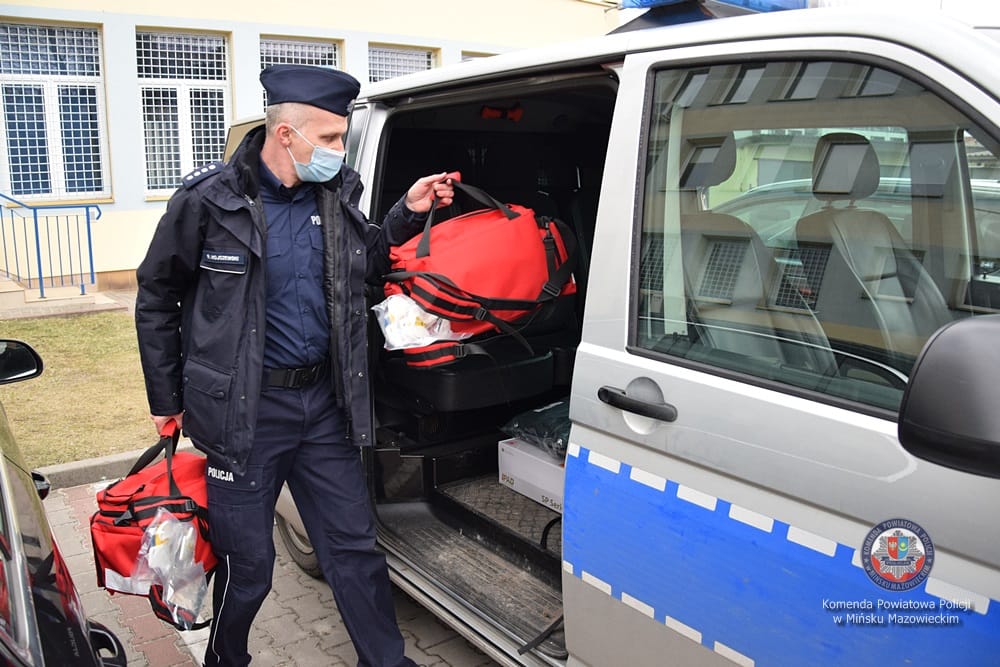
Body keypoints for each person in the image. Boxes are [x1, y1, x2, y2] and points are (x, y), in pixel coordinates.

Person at [134, 63, 454, 667]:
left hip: (323, 410)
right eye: (331, 138)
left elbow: (370, 262)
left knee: (355, 549)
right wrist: (164, 398)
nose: (339, 150)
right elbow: (156, 296)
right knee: (249, 566)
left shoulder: (334, 198)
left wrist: (407, 212)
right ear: (288, 135)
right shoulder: (209, 202)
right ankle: (226, 661)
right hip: (246, 416)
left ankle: (386, 661)